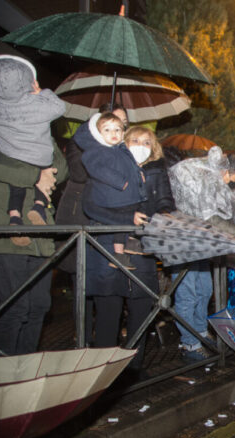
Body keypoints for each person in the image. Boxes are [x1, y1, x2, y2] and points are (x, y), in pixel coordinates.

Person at [81, 127, 174, 378]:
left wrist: (165, 216)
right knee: (108, 311)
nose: (141, 145)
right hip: (111, 249)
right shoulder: (107, 167)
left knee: (142, 310)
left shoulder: (157, 170)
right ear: (124, 143)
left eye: (147, 142)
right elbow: (90, 206)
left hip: (143, 249)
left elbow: (166, 200)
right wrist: (125, 218)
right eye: (135, 140)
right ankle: (101, 371)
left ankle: (133, 367)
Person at [168, 148, 235, 361]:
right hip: (184, 240)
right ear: (226, 172)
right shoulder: (205, 180)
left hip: (202, 243)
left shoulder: (220, 180)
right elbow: (211, 218)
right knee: (188, 292)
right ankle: (189, 344)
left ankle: (200, 332)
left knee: (204, 289)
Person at [56, 103, 129, 345]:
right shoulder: (82, 145)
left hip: (111, 224)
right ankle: (83, 338)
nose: (118, 132)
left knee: (110, 283)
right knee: (83, 280)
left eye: (123, 126)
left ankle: (107, 341)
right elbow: (78, 173)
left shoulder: (122, 151)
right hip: (82, 220)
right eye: (113, 125)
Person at [0, 142, 67, 355]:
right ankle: (2, 378)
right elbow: (1, 167)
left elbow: (61, 171)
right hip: (5, 235)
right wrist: (38, 174)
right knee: (14, 308)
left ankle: (23, 371)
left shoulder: (37, 132)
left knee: (39, 306)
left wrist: (43, 135)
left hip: (40, 237)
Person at [0, 55, 66, 245]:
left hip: (13, 153)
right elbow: (59, 107)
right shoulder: (37, 105)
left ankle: (15, 217)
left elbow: (62, 171)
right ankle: (39, 206)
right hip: (39, 156)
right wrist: (43, 92)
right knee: (45, 173)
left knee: (16, 188)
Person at [76, 112, 147, 270]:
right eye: (107, 130)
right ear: (98, 134)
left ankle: (122, 252)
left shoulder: (122, 150)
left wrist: (140, 175)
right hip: (113, 197)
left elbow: (132, 165)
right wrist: (119, 181)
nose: (113, 134)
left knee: (128, 220)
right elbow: (97, 168)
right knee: (122, 220)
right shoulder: (97, 150)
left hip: (127, 196)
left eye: (117, 130)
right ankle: (120, 251)